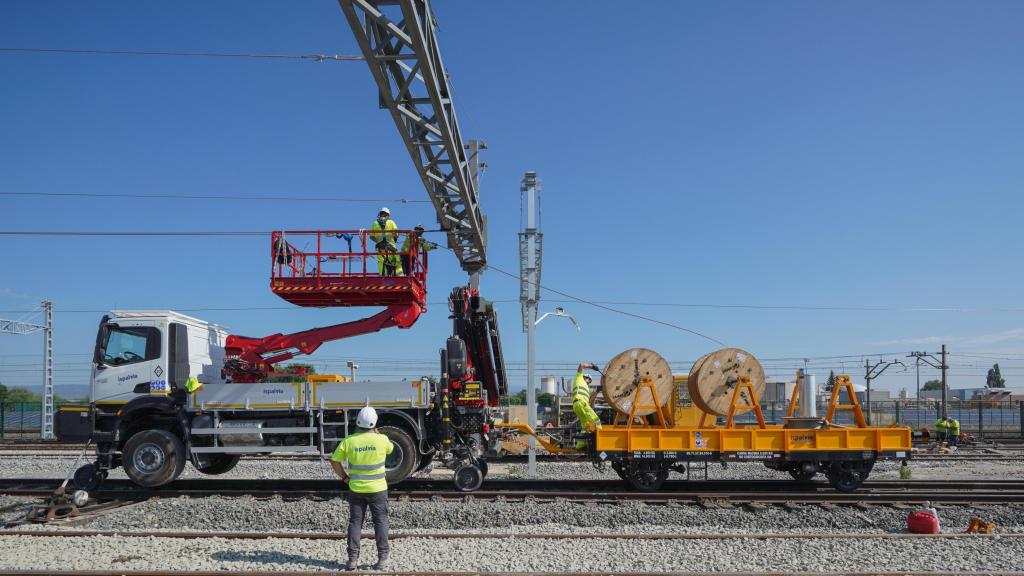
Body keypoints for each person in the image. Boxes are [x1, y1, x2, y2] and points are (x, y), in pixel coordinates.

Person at [330, 406, 393, 571]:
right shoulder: (382, 439)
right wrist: (377, 434)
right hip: (378, 489)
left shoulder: (349, 441)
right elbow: (390, 449)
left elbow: (334, 460)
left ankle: (352, 560)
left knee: (355, 522)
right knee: (380, 522)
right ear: (374, 423)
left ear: (357, 422)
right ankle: (382, 560)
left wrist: (344, 477)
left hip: (356, 489)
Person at [572, 363, 603, 449]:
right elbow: (581, 365)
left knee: (585, 426)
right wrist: (592, 366)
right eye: (588, 378)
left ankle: (579, 446)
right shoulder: (578, 378)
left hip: (577, 405)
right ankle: (600, 442)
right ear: (584, 377)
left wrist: (597, 391)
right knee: (596, 420)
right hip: (581, 403)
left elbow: (591, 399)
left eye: (590, 380)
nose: (589, 380)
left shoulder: (587, 389)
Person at [370, 207, 402, 276]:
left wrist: (378, 241)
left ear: (380, 214)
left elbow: (371, 237)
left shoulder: (374, 223)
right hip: (391, 247)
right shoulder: (391, 222)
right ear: (388, 215)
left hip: (380, 248)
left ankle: (383, 277)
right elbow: (396, 234)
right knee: (396, 262)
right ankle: (399, 276)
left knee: (381, 263)